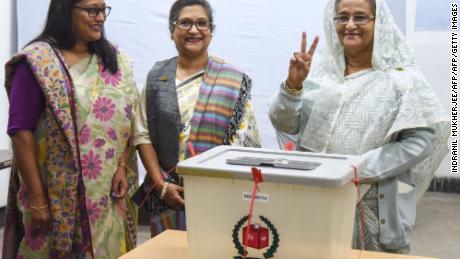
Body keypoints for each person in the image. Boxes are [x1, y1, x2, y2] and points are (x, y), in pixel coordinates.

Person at [269, 0, 449, 254]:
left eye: (361, 17)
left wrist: (359, 168)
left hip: (372, 209)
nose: (350, 25)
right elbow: (285, 124)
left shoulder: (401, 80)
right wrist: (293, 87)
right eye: (342, 17)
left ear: (379, 23)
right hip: (317, 199)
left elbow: (421, 141)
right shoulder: (320, 75)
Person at [2, 0, 139, 258]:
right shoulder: (36, 62)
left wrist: (122, 165)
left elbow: (125, 118)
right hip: (53, 194)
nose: (100, 17)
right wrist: (38, 198)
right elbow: (20, 132)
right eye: (92, 10)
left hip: (105, 195)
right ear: (65, 11)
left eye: (103, 10)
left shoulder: (114, 60)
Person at [134, 0, 260, 237]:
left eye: (202, 23)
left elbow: (245, 142)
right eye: (185, 23)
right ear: (172, 31)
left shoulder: (233, 80)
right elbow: (142, 134)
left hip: (218, 197)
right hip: (168, 196)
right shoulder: (156, 77)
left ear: (211, 31)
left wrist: (212, 186)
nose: (194, 30)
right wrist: (161, 186)